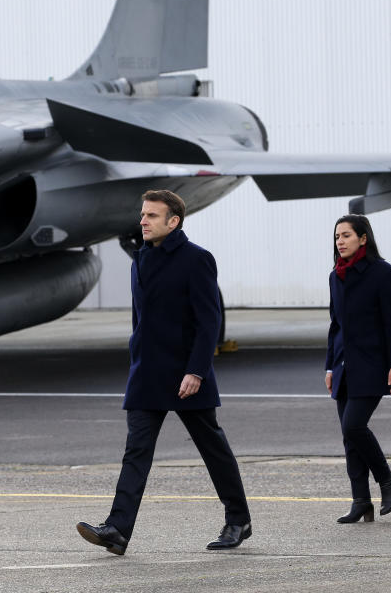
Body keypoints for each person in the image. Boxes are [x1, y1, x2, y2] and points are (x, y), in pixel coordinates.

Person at [76, 190, 251, 555]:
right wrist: (135, 357)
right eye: (143, 215)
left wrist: (197, 371)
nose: (143, 221)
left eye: (152, 216)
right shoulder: (140, 259)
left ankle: (238, 520)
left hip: (186, 375)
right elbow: (141, 320)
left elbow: (208, 321)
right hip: (147, 374)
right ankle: (117, 530)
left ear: (173, 222)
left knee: (212, 449)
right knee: (135, 451)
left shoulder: (197, 260)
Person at [326, 214, 391, 523]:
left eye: (346, 235)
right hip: (343, 366)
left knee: (354, 426)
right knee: (349, 437)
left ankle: (387, 480)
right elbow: (336, 325)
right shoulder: (336, 275)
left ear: (363, 238)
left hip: (373, 365)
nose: (340, 241)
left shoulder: (383, 273)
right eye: (337, 237)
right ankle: (361, 500)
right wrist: (329, 366)